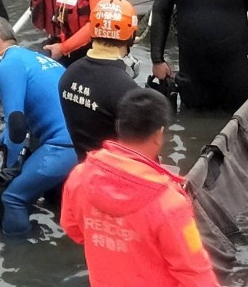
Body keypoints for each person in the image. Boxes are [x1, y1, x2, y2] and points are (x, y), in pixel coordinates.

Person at [60, 88, 219, 287]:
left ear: (119, 126)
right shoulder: (170, 204)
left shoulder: (79, 176)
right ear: (159, 134)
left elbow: (73, 228)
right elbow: (195, 273)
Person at [0, 16, 77, 236]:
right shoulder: (32, 58)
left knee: (11, 198)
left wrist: (8, 170)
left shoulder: (7, 65)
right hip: (79, 143)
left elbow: (17, 126)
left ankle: (18, 259)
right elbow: (25, 119)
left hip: (61, 147)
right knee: (51, 197)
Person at [58, 0, 140, 162]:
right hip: (114, 176)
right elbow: (141, 151)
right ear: (131, 35)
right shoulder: (127, 89)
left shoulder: (67, 75)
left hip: (82, 169)